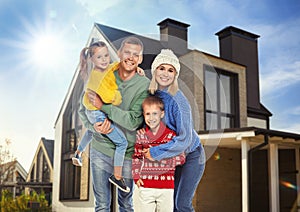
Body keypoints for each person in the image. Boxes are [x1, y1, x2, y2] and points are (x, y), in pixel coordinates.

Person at [78, 36, 150, 211]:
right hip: (100, 150)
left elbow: (133, 121)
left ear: (140, 58)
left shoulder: (144, 84)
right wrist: (92, 127)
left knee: (126, 204)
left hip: (126, 154)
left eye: (136, 54)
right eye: (127, 52)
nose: (131, 57)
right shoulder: (101, 74)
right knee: (102, 204)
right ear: (119, 53)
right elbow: (83, 110)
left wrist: (104, 107)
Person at [142, 49, 206, 211]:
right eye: (161, 68)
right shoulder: (151, 95)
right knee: (169, 205)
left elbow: (185, 139)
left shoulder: (178, 101)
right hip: (172, 155)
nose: (165, 73)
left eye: (170, 70)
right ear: (155, 70)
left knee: (181, 204)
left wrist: (156, 152)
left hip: (192, 155)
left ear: (175, 75)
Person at [72, 41, 131, 192]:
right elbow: (111, 98)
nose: (105, 59)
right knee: (122, 143)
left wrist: (136, 69)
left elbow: (115, 65)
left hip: (90, 111)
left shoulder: (104, 69)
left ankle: (78, 153)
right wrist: (118, 97)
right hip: (97, 113)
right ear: (92, 60)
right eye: (100, 57)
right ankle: (117, 177)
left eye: (106, 55)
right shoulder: (96, 78)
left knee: (91, 131)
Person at [132, 95, 185, 212]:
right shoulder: (140, 135)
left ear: (162, 114)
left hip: (166, 187)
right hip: (146, 186)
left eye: (155, 113)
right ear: (143, 115)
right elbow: (136, 157)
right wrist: (136, 177)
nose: (151, 118)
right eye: (148, 114)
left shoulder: (171, 136)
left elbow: (181, 158)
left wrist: (159, 157)